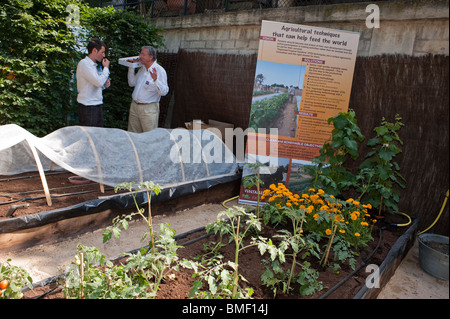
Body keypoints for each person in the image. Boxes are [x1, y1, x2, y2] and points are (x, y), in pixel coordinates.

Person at [127, 46, 169, 133]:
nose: (140, 56)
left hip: (149, 109)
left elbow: (164, 92)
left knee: (149, 137)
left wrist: (156, 80)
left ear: (151, 57)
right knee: (133, 135)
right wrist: (131, 68)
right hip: (134, 106)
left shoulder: (159, 71)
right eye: (140, 53)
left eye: (143, 54)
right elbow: (131, 83)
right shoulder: (142, 69)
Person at [76, 38, 111, 127]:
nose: (104, 55)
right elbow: (98, 82)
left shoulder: (93, 65)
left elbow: (96, 84)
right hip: (88, 106)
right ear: (94, 50)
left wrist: (105, 85)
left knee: (98, 135)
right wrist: (106, 68)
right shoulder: (84, 64)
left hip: (96, 104)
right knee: (89, 136)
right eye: (102, 52)